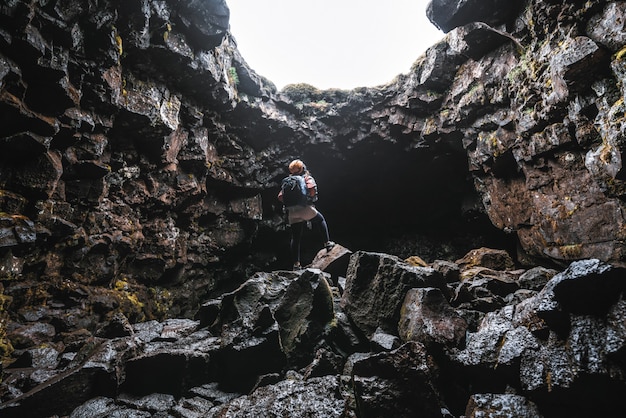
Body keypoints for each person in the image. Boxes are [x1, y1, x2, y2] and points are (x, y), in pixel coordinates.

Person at [278, 159, 335, 270]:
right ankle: (327, 243)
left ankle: (296, 265)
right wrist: (308, 197)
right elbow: (311, 188)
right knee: (320, 220)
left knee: (296, 237)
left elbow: (280, 197)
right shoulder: (305, 178)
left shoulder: (287, 181)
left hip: (292, 212)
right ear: (302, 168)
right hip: (304, 208)